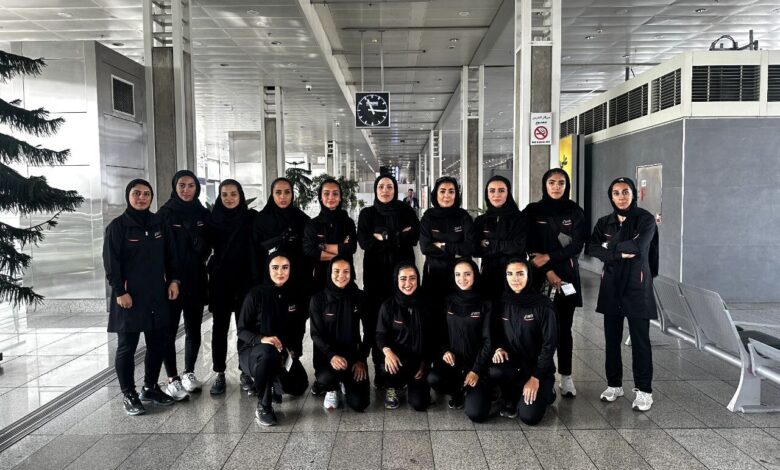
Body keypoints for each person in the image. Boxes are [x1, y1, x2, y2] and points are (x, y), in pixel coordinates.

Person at [103, 179, 179, 415]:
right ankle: (129, 394)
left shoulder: (160, 223)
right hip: (129, 297)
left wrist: (174, 280)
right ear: (128, 196)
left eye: (146, 194)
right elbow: (111, 263)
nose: (142, 198)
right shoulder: (118, 227)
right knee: (127, 346)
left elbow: (171, 255)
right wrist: (120, 291)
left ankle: (150, 387)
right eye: (137, 193)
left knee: (157, 343)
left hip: (157, 295)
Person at [587, 177, 658, 412]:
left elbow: (638, 247)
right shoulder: (604, 222)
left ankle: (644, 390)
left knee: (640, 341)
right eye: (616, 193)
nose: (621, 197)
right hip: (612, 286)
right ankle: (614, 385)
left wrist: (609, 248)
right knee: (611, 340)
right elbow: (592, 247)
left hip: (637, 286)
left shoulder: (645, 220)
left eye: (625, 192)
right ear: (611, 196)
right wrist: (617, 253)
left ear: (633, 194)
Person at [524, 169, 587, 398]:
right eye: (551, 182)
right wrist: (548, 270)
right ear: (545, 185)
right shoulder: (533, 211)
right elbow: (529, 245)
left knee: (564, 328)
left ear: (566, 185)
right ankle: (544, 375)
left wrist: (549, 257)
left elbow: (577, 246)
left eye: (561, 183)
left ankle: (566, 376)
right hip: (539, 277)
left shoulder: (575, 211)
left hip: (567, 276)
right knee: (539, 328)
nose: (556, 187)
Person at [357, 174, 419, 387]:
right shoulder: (367, 214)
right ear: (376, 190)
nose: (385, 190)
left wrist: (381, 237)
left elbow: (414, 237)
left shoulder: (406, 211)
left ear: (395, 189)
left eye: (389, 187)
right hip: (375, 277)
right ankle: (380, 366)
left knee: (402, 319)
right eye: (381, 187)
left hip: (402, 277)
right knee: (376, 320)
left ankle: (404, 365)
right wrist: (397, 237)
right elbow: (364, 242)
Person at [237, 253, 309, 426]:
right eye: (275, 268)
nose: (280, 272)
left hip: (282, 352)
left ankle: (270, 381)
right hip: (254, 351)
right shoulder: (255, 294)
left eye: (285, 267)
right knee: (268, 353)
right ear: (268, 269)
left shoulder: (295, 294)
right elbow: (241, 330)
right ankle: (263, 405)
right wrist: (262, 338)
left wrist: (294, 351)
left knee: (299, 386)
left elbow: (298, 328)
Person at [157, 170, 210, 400]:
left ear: (197, 188)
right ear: (174, 187)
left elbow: (209, 244)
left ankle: (189, 372)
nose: (186, 190)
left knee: (193, 328)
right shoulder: (165, 214)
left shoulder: (202, 213)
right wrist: (172, 278)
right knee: (169, 331)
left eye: (191, 186)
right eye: (182, 185)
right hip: (171, 281)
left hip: (196, 278)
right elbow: (161, 251)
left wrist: (202, 248)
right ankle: (172, 378)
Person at [489, 259, 557, 426]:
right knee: (494, 370)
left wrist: (536, 377)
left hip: (538, 369)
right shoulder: (502, 302)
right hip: (514, 367)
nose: (515, 279)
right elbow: (496, 333)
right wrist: (499, 348)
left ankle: (547, 391)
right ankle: (510, 397)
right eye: (510, 274)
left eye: (520, 274)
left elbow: (549, 346)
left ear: (529, 276)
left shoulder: (543, 305)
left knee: (529, 417)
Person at [205, 179, 257, 395]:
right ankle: (219, 373)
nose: (229, 198)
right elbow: (203, 248)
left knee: (244, 327)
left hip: (245, 281)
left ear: (240, 195)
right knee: (220, 328)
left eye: (233, 194)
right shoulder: (212, 220)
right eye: (224, 194)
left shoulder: (251, 218)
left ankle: (245, 371)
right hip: (221, 282)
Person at [427, 259, 492, 422]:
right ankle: (457, 392)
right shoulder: (447, 301)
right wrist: (444, 351)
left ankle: (481, 390)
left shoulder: (485, 304)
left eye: (467, 274)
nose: (462, 279)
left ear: (475, 275)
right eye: (458, 274)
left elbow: (488, 341)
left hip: (477, 367)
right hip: (454, 364)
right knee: (433, 378)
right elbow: (440, 333)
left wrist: (476, 370)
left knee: (476, 415)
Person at [309, 256, 371, 411]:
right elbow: (316, 334)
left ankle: (345, 382)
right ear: (329, 272)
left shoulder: (360, 297)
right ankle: (331, 388)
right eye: (336, 271)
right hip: (327, 357)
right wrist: (331, 355)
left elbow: (369, 331)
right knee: (326, 378)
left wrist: (361, 359)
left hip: (353, 357)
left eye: (346, 271)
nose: (341, 275)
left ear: (352, 273)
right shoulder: (318, 299)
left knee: (360, 404)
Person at [376, 262, 433, 411]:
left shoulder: (427, 304)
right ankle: (392, 386)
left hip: (419, 361)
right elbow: (380, 335)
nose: (408, 283)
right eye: (403, 279)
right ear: (396, 280)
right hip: (397, 360)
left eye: (412, 278)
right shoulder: (388, 306)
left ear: (418, 279)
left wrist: (425, 364)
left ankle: (412, 384)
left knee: (419, 404)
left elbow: (432, 338)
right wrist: (388, 352)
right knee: (386, 363)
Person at [419, 176, 475, 319]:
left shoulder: (463, 216)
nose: (447, 195)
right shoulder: (428, 217)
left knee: (457, 314)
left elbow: (470, 247)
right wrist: (457, 251)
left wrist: (443, 246)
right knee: (434, 313)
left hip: (460, 276)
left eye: (451, 191)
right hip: (434, 274)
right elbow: (425, 247)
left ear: (456, 194)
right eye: (442, 191)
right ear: (435, 194)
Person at [473, 175, 526, 301]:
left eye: (501, 190)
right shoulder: (481, 221)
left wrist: (489, 244)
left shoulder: (520, 219)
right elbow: (475, 250)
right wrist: (506, 245)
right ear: (487, 194)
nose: (496, 195)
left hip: (514, 276)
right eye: (492, 191)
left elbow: (519, 247)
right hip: (488, 275)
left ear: (508, 193)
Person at [303, 178, 358, 293]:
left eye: (335, 194)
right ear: (320, 197)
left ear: (340, 197)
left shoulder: (348, 223)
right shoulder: (313, 224)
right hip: (321, 278)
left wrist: (322, 246)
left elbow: (351, 248)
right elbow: (309, 250)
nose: (331, 197)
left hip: (345, 278)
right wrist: (341, 252)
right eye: (326, 193)